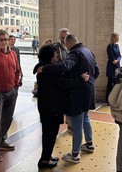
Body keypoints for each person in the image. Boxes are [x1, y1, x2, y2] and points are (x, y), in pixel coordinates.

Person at [37, 34, 99, 164]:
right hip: (89, 90)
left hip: (78, 93)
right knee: (86, 117)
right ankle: (89, 144)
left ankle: (75, 154)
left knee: (76, 123)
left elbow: (64, 67)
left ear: (68, 44)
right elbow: (96, 72)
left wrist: (45, 68)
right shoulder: (88, 51)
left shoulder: (75, 54)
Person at [0, 29, 22, 163]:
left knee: (8, 118)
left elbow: (17, 69)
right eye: (1, 39)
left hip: (11, 91)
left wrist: (16, 86)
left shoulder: (12, 53)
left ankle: (2, 141)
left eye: (6, 39)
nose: (5, 42)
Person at [106, 32, 121, 103]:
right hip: (111, 66)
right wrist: (114, 61)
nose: (118, 38)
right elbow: (111, 56)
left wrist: (117, 60)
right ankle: (108, 100)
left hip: (117, 65)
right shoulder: (110, 46)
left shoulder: (117, 46)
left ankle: (114, 99)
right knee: (110, 83)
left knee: (116, 83)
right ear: (113, 38)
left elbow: (119, 56)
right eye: (117, 37)